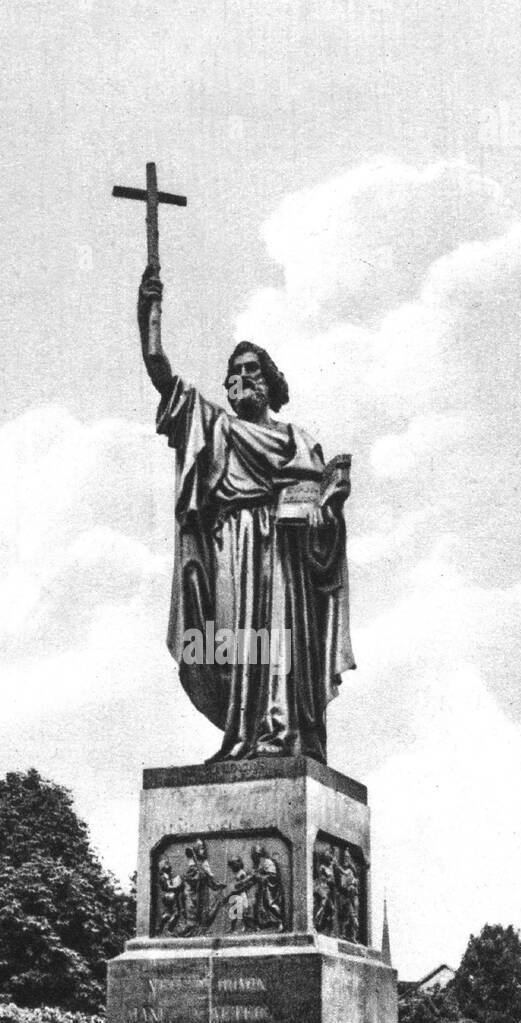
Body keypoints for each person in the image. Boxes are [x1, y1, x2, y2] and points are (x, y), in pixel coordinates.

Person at [138, 268, 355, 762]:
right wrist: (150, 318)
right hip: (229, 546)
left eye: (251, 372)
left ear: (270, 383)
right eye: (232, 375)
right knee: (234, 648)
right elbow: (161, 374)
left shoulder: (297, 439)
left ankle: (280, 734)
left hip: (281, 556)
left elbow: (325, 527)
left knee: (276, 649)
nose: (239, 382)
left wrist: (327, 511)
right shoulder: (213, 426)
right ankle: (240, 735)